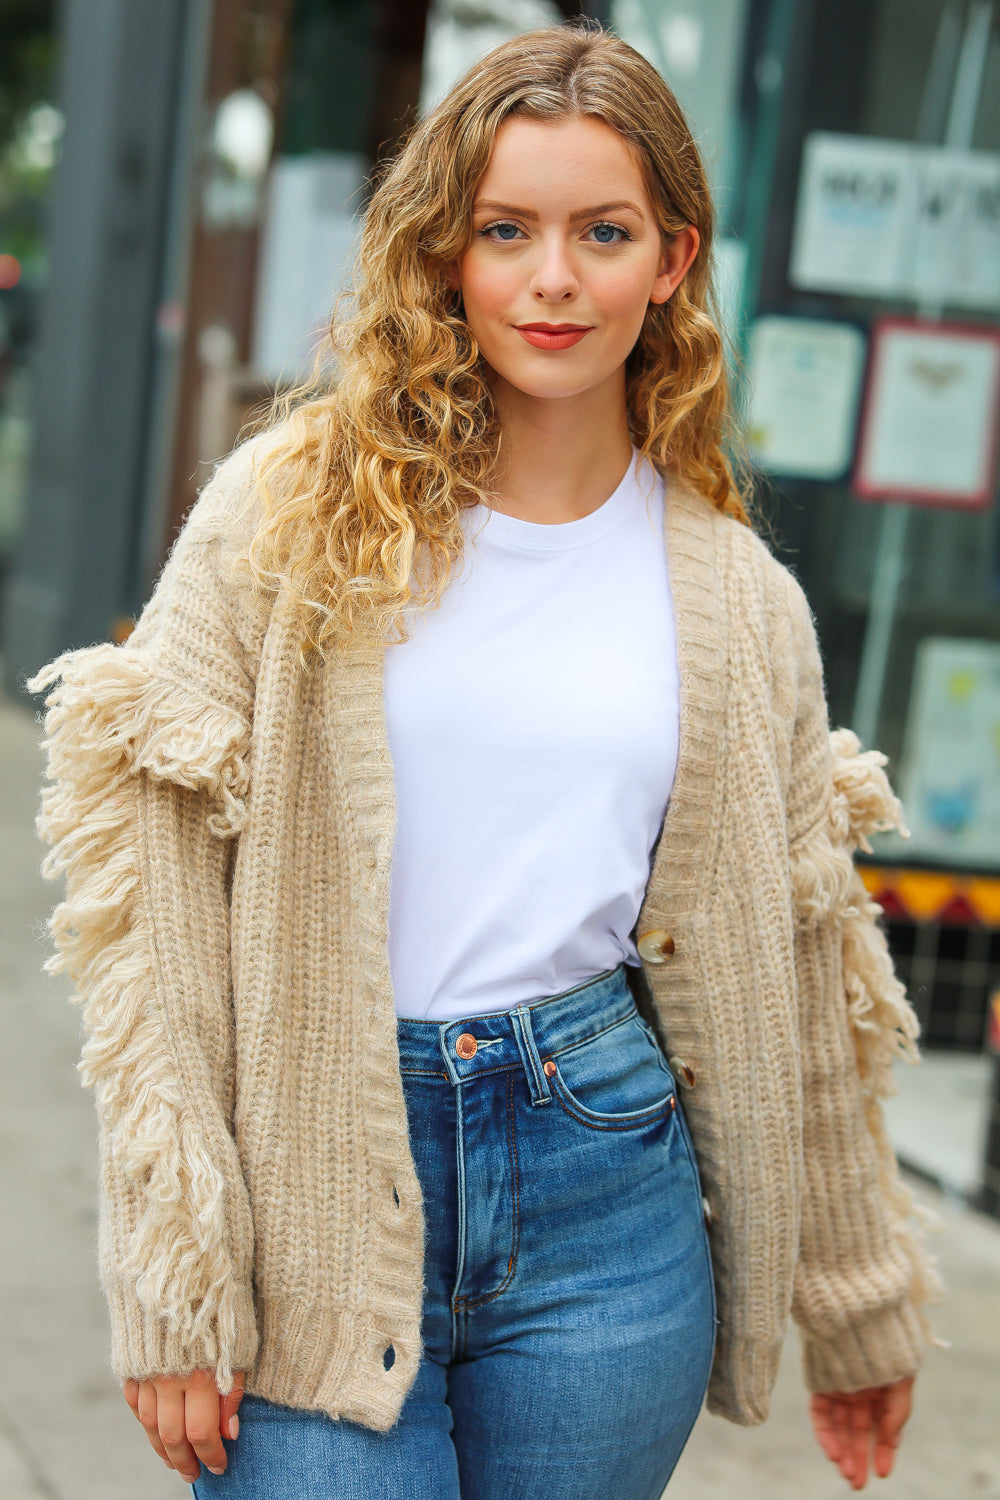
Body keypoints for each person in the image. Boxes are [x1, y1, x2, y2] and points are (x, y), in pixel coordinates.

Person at [30, 23, 937, 1500]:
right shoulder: (286, 514)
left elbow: (800, 955)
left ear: (673, 259)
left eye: (604, 233)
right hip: (317, 1184)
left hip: (605, 1197)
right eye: (506, 230)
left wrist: (858, 1303)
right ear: (446, 252)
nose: (553, 277)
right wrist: (173, 1264)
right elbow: (155, 908)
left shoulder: (741, 602)